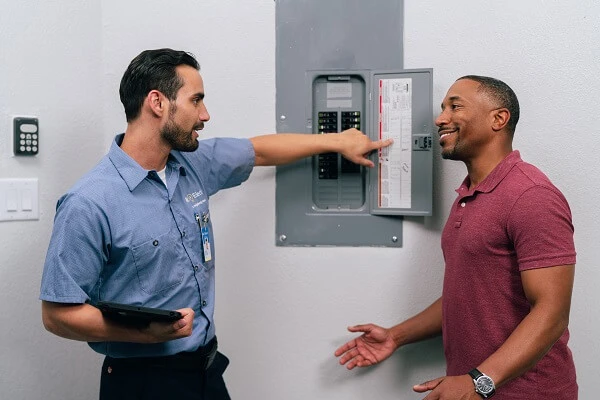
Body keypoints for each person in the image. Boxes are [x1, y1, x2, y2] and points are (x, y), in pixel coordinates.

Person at [39, 48, 392, 400]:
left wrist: (337, 141)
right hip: (142, 382)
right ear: (157, 103)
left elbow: (260, 150)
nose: (204, 115)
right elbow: (57, 315)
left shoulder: (192, 164)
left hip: (205, 371)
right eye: (196, 100)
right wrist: (146, 335)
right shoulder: (89, 203)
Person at [335, 76, 577, 399]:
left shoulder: (531, 195)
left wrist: (478, 382)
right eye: (442, 108)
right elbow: (466, 294)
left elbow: (552, 313)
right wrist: (396, 336)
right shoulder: (468, 196)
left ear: (498, 119)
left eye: (454, 106)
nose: (440, 119)